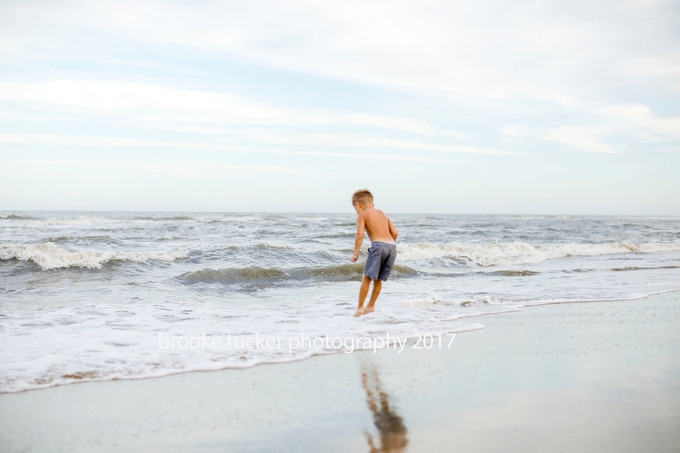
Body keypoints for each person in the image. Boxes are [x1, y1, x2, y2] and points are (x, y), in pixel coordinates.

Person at [350, 189, 398, 317]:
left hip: (378, 246)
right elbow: (395, 233)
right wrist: (389, 245)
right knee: (378, 279)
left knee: (367, 277)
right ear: (372, 204)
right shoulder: (382, 214)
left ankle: (360, 307)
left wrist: (355, 253)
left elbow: (360, 234)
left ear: (357, 205)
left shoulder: (363, 215)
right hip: (392, 247)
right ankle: (371, 305)